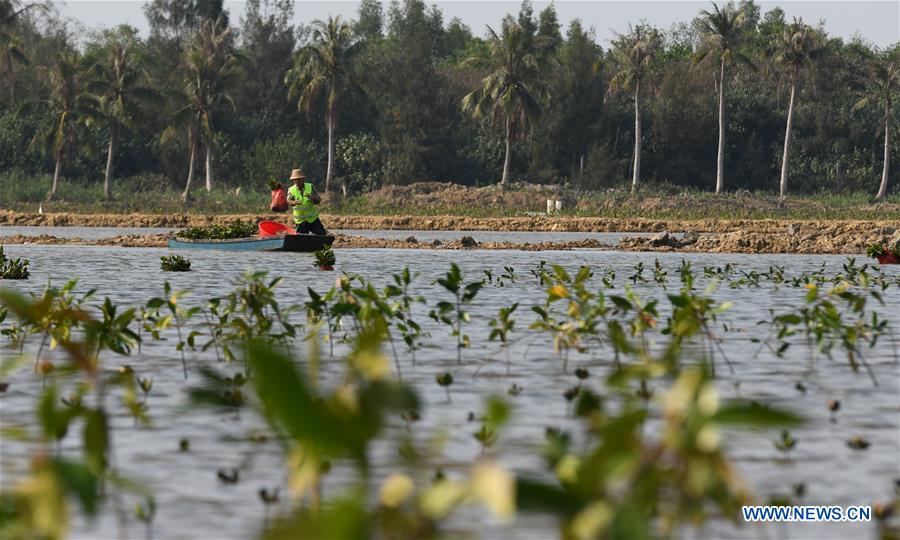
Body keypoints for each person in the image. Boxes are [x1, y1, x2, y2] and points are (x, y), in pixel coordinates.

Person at [286, 168, 327, 235]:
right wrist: (293, 202)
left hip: (312, 219)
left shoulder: (310, 187)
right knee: (302, 239)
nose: (297, 181)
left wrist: (312, 198)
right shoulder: (291, 190)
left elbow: (318, 200)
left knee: (322, 234)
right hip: (300, 221)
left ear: (303, 179)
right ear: (293, 181)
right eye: (295, 179)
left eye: (299, 179)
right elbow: (288, 201)